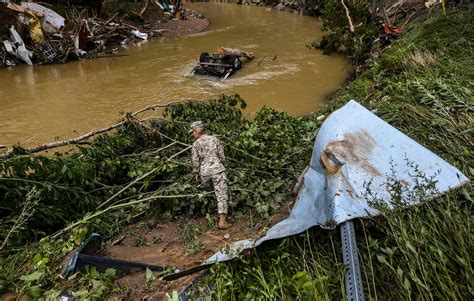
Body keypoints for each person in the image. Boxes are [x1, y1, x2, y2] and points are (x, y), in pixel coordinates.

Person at [190, 121, 231, 230]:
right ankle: (222, 221)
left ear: (198, 131)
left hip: (204, 173)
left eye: (193, 132)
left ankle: (209, 209)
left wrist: (196, 175)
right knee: (221, 193)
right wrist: (225, 166)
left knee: (207, 188)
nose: (192, 134)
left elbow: (195, 162)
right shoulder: (214, 139)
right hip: (217, 171)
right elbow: (222, 156)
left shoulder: (195, 144)